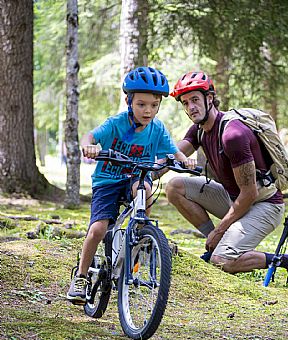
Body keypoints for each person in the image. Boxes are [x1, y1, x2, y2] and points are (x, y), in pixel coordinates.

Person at [67, 66, 196, 303]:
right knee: (97, 229)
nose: (148, 111)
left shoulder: (157, 128)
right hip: (108, 181)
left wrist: (186, 161)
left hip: (136, 176)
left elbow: (175, 152)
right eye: (142, 104)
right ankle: (81, 276)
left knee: (145, 188)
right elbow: (90, 136)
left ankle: (140, 233)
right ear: (129, 101)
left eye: (154, 105)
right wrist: (90, 146)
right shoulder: (116, 124)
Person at [166, 70, 288, 287]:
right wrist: (144, 175)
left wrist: (219, 230)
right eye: (185, 103)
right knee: (175, 187)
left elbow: (249, 194)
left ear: (209, 98)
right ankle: (215, 243)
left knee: (222, 262)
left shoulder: (233, 135)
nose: (191, 107)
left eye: (195, 99)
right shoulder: (199, 130)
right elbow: (173, 156)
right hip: (234, 199)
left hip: (265, 205)